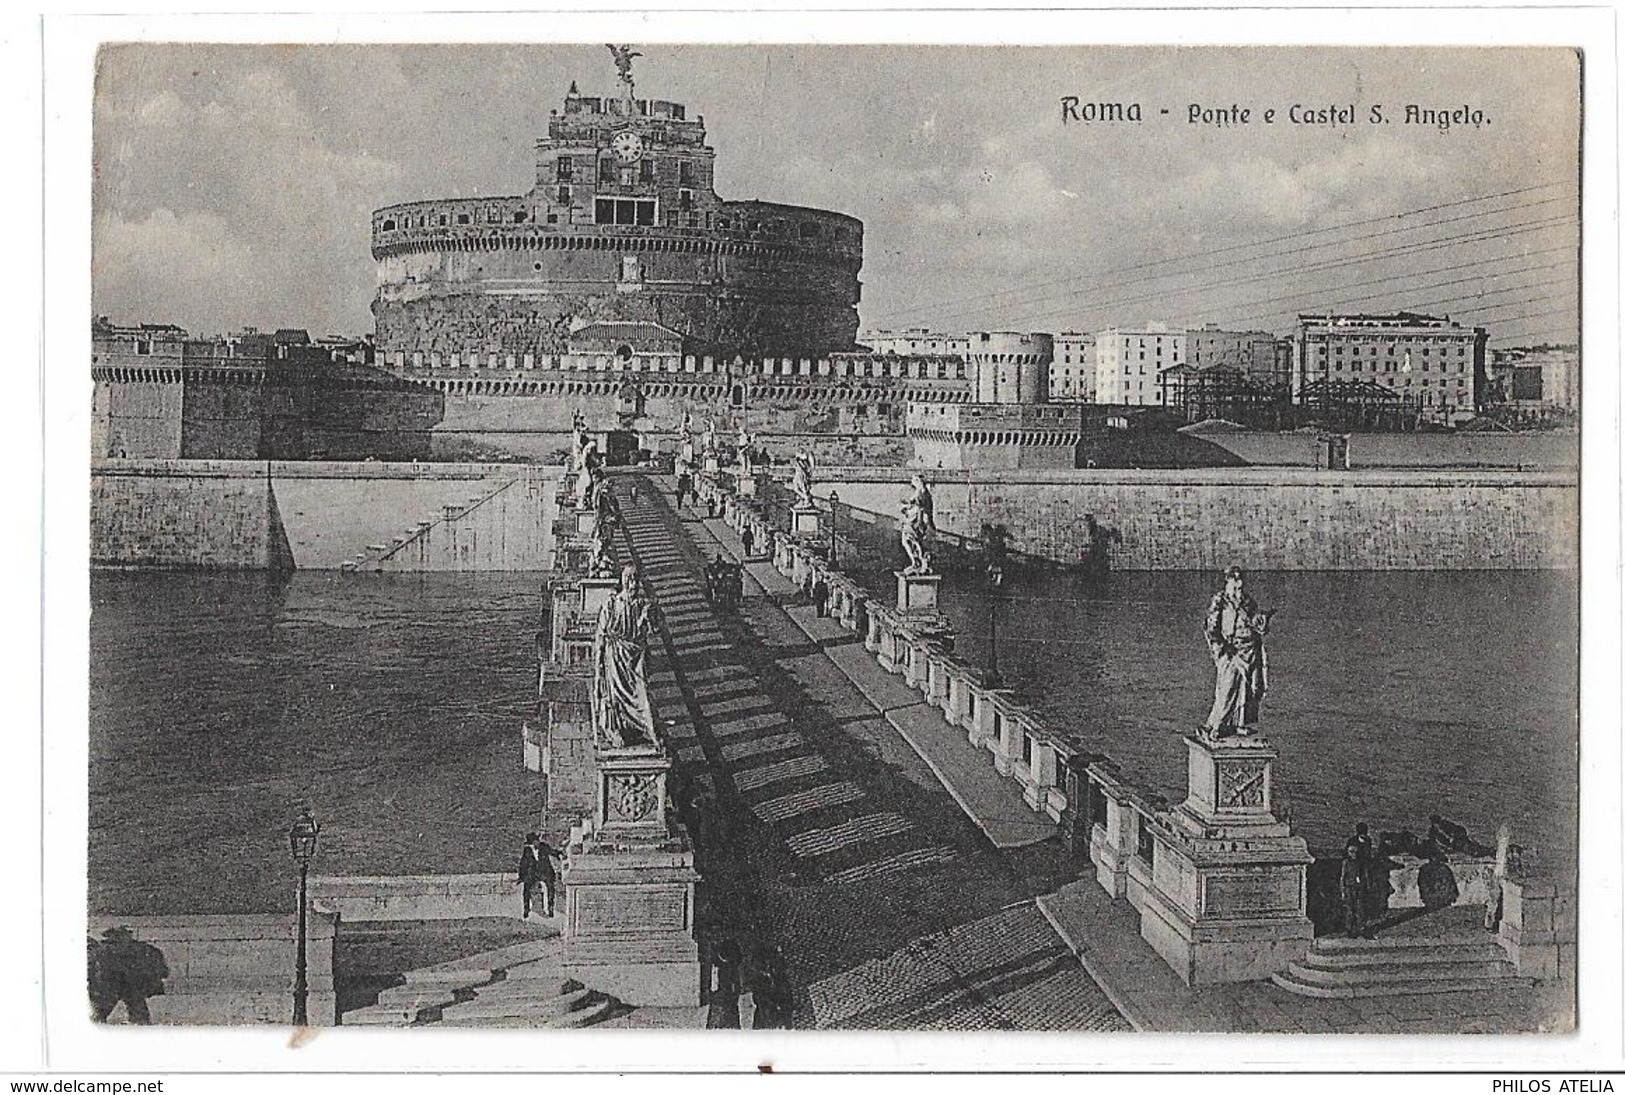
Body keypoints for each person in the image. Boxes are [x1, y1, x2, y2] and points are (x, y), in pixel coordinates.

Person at [1202, 565, 1274, 737]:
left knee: (1246, 689)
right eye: (1235, 581)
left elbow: (1256, 621)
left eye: (1240, 582)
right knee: (1227, 689)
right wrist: (1222, 648)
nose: (1238, 585)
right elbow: (1211, 628)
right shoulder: (1220, 600)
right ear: (1228, 581)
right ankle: (1216, 724)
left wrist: (1263, 620)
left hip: (1249, 650)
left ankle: (1238, 724)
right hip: (1230, 651)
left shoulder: (1247, 601)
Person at [593, 565, 660, 748]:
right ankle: (615, 729)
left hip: (635, 657)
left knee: (642, 694)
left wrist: (648, 617)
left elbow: (654, 630)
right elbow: (600, 636)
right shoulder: (612, 604)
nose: (634, 585)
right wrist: (598, 668)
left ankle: (649, 730)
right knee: (614, 697)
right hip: (615, 657)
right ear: (624, 582)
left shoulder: (641, 605)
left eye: (636, 581)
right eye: (630, 581)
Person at [89, 927, 168, 1024]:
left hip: (114, 985)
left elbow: (93, 968)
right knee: (138, 1013)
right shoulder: (142, 948)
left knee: (99, 1013)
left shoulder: (103, 949)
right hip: (128, 984)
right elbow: (161, 968)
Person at [1340, 822, 1376, 939]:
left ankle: (1361, 929)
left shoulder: (1368, 841)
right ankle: (1351, 930)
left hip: (1362, 878)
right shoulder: (1352, 844)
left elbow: (1368, 857)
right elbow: (1343, 876)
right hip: (1351, 884)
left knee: (1361, 907)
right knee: (1351, 908)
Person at [517, 832, 561, 918]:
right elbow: (523, 864)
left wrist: (559, 853)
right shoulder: (527, 851)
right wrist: (521, 877)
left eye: (537, 841)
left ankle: (550, 908)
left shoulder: (544, 847)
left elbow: (552, 852)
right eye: (533, 843)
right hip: (533, 873)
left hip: (545, 871)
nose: (536, 844)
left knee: (550, 887)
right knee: (526, 888)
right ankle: (526, 909)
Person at [899, 475, 935, 575]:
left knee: (913, 541)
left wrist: (907, 508)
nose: (912, 483)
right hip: (915, 521)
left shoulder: (922, 492)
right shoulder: (920, 492)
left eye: (914, 480)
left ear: (918, 481)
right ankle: (918, 562)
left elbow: (920, 508)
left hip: (918, 521)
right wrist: (906, 506)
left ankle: (920, 563)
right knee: (910, 541)